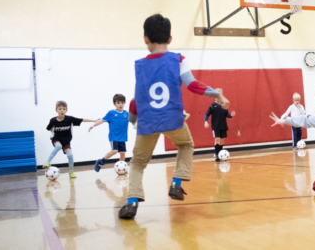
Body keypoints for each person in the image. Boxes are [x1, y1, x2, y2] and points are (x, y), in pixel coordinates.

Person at [119, 14, 229, 219]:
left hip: (148, 122)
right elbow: (193, 84)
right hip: (173, 120)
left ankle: (132, 202)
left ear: (145, 38)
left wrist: (133, 122)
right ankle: (177, 183)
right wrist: (217, 94)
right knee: (186, 145)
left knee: (137, 163)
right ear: (170, 39)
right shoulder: (178, 59)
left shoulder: (140, 66)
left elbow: (136, 100)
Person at [43, 101, 96, 178]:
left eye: (64, 109)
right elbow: (48, 128)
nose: (62, 110)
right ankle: (47, 162)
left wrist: (94, 120)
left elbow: (82, 120)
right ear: (56, 110)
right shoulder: (53, 120)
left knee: (70, 155)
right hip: (56, 139)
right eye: (60, 109)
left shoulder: (69, 119)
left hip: (66, 141)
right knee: (58, 146)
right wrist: (52, 132)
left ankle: (71, 172)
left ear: (66, 110)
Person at [89, 94, 130, 172]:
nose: (120, 104)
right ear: (115, 104)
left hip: (123, 137)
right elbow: (102, 120)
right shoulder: (111, 113)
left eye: (122, 102)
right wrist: (94, 125)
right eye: (118, 103)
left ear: (124, 103)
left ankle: (122, 169)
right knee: (115, 151)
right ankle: (101, 161)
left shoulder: (126, 114)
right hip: (114, 136)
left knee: (122, 153)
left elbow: (134, 120)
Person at [204, 89, 236, 161]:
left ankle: (220, 154)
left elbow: (226, 114)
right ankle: (217, 155)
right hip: (215, 125)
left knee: (222, 141)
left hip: (223, 125)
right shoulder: (212, 105)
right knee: (217, 140)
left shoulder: (224, 105)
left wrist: (231, 115)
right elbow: (207, 114)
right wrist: (205, 121)